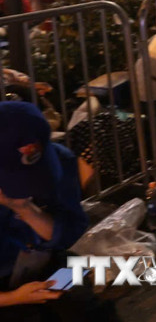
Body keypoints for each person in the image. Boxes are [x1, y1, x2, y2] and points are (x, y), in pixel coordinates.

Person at [0, 101, 99, 319]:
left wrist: (25, 209)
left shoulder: (61, 159)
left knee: (85, 305)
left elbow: (70, 230)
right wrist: (14, 297)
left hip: (45, 261)